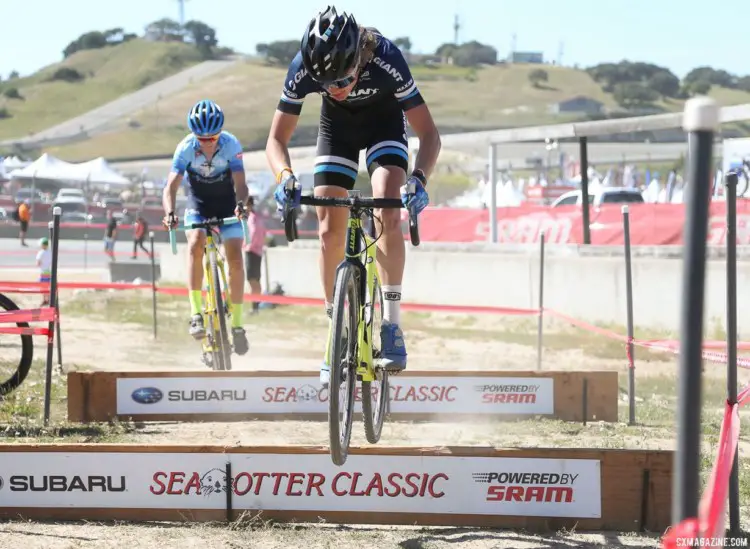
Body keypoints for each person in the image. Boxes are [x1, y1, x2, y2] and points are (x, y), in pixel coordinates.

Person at [267, 6, 440, 386]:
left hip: (384, 125)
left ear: (358, 59)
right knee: (329, 228)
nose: (336, 90)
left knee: (386, 203)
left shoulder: (386, 59)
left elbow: (429, 135)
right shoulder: (303, 66)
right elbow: (276, 140)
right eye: (325, 84)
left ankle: (392, 325)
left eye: (342, 80)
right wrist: (285, 176)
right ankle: (335, 331)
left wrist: (420, 180)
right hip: (337, 131)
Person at [162, 99, 250, 356]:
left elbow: (241, 184)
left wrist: (242, 205)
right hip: (198, 204)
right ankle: (195, 313)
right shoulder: (185, 148)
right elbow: (171, 188)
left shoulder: (231, 145)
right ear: (194, 135)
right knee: (195, 243)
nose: (208, 142)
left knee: (235, 257)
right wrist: (169, 212)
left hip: (227, 203)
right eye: (202, 138)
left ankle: (238, 325)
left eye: (213, 137)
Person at [243, 195, 266, 313]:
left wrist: (247, 245)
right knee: (256, 280)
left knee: (252, 280)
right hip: (257, 251)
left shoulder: (252, 218)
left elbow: (253, 234)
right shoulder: (258, 217)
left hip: (252, 251)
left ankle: (255, 306)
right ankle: (256, 305)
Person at [36, 236, 51, 306]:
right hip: (49, 272)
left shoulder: (41, 252)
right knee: (47, 286)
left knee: (42, 287)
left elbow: (38, 263)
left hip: (43, 272)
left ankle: (45, 300)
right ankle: (47, 299)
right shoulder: (50, 252)